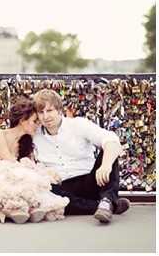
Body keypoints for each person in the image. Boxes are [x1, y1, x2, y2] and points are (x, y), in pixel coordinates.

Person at [31, 89, 130, 224]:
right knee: (48, 193)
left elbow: (112, 140)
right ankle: (105, 206)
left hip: (90, 181)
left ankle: (106, 200)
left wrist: (105, 166)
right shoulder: (34, 135)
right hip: (62, 188)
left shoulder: (78, 124)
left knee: (109, 151)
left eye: (49, 111)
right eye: (41, 112)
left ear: (59, 110)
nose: (45, 116)